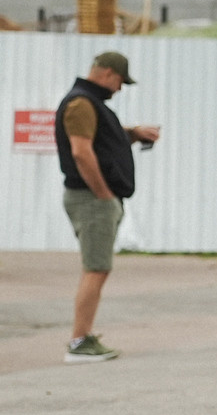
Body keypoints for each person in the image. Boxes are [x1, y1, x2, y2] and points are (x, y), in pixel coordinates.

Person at [58, 50, 159, 363]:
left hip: (95, 199)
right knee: (96, 268)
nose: (120, 89)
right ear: (106, 74)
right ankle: (79, 341)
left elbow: (101, 141)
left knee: (97, 268)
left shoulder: (90, 103)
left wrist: (131, 133)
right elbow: (81, 152)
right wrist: (102, 193)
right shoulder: (81, 104)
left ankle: (82, 337)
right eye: (120, 81)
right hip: (92, 200)